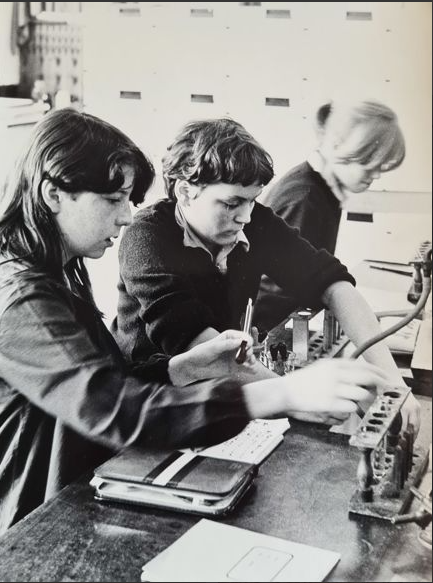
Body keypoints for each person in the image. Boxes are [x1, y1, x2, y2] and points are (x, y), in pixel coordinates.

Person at [0, 108, 382, 534]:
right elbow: (111, 408)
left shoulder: (51, 276)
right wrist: (284, 392)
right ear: (54, 194)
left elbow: (107, 384)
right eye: (113, 200)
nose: (126, 216)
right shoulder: (21, 299)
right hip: (35, 524)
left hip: (80, 489)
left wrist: (184, 368)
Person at [113, 117, 420, 429]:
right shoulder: (146, 238)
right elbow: (204, 347)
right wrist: (293, 397)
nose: (245, 217)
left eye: (252, 201)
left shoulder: (254, 221)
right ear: (185, 191)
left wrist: (393, 384)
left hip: (225, 387)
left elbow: (333, 284)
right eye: (231, 203)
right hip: (147, 405)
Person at [255, 99, 405, 329]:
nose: (376, 175)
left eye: (381, 166)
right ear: (337, 146)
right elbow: (278, 294)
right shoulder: (305, 198)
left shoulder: (320, 190)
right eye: (369, 164)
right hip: (270, 333)